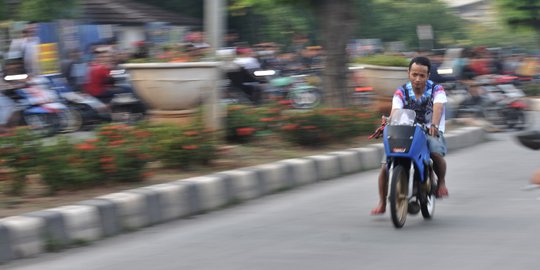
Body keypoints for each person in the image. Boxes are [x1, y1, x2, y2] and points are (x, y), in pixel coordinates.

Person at [370, 56, 449, 215]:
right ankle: (382, 202)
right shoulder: (401, 91)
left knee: (434, 152)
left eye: (422, 75)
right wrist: (387, 124)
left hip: (429, 130)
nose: (418, 79)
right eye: (414, 74)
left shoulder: (437, 90)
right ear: (408, 73)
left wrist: (433, 125)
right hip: (406, 130)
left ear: (428, 76)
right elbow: (395, 111)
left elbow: (438, 107)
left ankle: (441, 183)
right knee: (386, 165)